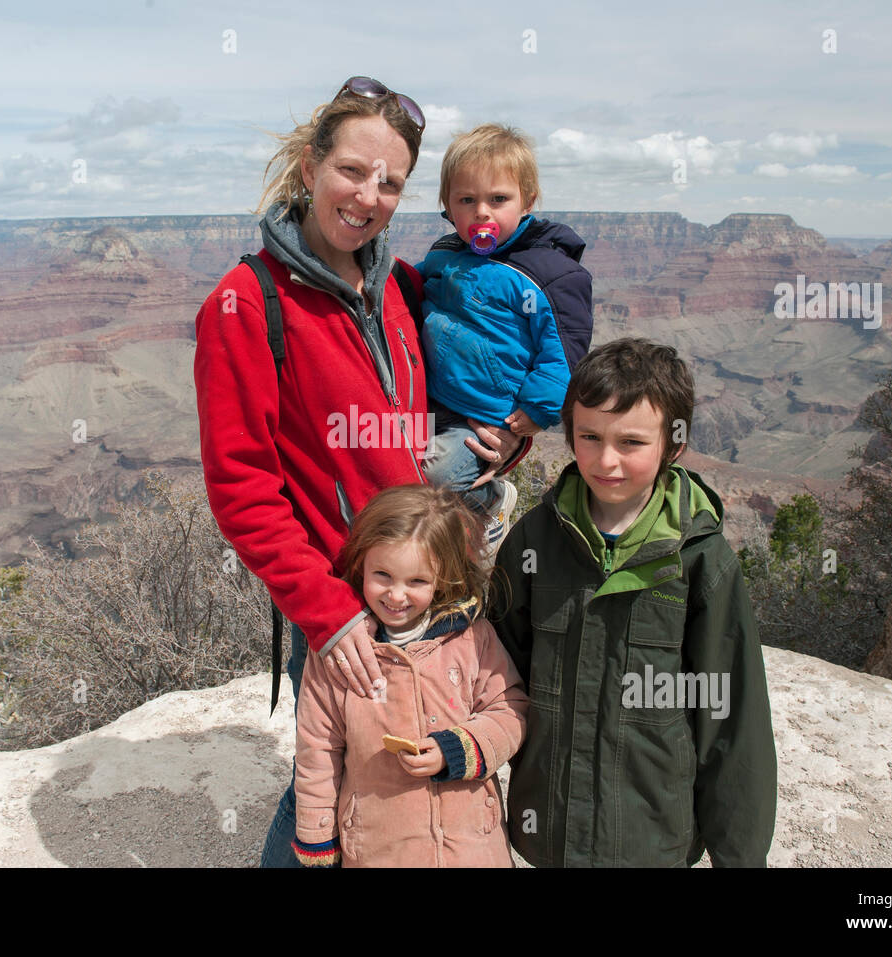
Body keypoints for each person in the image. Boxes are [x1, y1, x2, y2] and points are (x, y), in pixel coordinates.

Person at [193, 78, 523, 867]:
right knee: (333, 778)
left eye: (390, 182)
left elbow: (453, 403)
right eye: (351, 170)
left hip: (435, 583)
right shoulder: (245, 305)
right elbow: (241, 487)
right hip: (349, 602)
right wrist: (326, 611)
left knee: (417, 777)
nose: (368, 195)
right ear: (309, 167)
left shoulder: (399, 286)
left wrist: (509, 433)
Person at [490, 337, 777, 867]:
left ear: (673, 445)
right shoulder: (534, 543)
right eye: (589, 436)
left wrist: (741, 857)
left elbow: (733, 725)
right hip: (548, 829)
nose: (606, 460)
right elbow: (494, 679)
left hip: (649, 840)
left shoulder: (701, 562)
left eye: (631, 443)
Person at [291, 484, 527, 867]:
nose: (396, 596)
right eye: (382, 575)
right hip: (379, 849)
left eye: (416, 581)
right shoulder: (339, 653)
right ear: (360, 565)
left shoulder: (470, 638)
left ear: (443, 578)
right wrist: (317, 836)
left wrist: (459, 748)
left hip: (471, 850)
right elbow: (318, 746)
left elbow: (511, 708)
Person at [417, 123, 593, 551]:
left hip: (493, 420)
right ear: (448, 206)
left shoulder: (550, 273)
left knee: (437, 474)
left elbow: (564, 351)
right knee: (383, 461)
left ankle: (489, 502)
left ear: (527, 200)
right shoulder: (443, 254)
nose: (482, 212)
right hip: (433, 403)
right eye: (466, 200)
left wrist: (537, 410)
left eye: (498, 199)